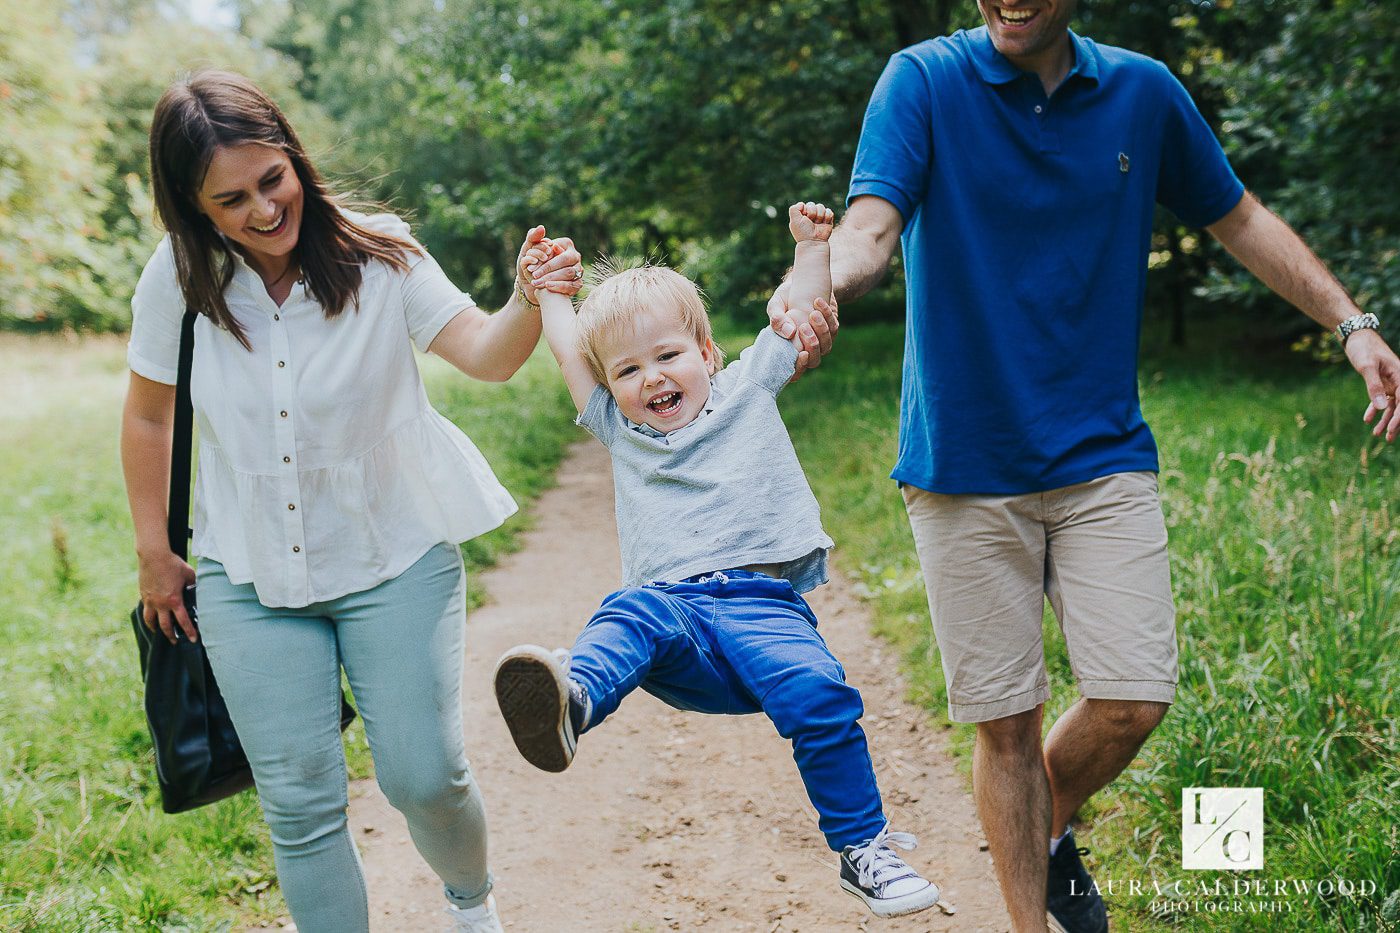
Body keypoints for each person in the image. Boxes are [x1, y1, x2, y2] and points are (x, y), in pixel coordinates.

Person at [765, 3, 1400, 931]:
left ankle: (1038, 829)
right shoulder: (924, 79)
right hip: (963, 460)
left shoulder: (1141, 91)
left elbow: (1239, 216)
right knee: (1007, 724)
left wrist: (1353, 325)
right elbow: (869, 229)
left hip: (1101, 452)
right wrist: (814, 275)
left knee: (1134, 697)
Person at [119, 70, 584, 933]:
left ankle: (470, 899)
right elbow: (151, 416)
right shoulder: (179, 278)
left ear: (294, 156)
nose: (264, 209)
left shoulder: (381, 251)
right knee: (298, 804)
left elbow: (486, 352)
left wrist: (530, 294)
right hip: (246, 572)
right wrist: (154, 548)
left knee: (423, 776)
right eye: (233, 199)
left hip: (393, 554)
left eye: (273, 178)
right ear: (195, 209)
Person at [490, 203, 941, 919]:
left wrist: (811, 247)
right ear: (609, 384)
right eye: (629, 369)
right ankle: (573, 699)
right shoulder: (618, 427)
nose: (652, 378)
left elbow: (803, 308)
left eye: (667, 355)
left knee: (819, 690)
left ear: (706, 353)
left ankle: (863, 849)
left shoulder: (746, 389)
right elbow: (571, 352)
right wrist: (550, 292)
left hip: (764, 611)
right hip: (676, 625)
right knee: (629, 610)